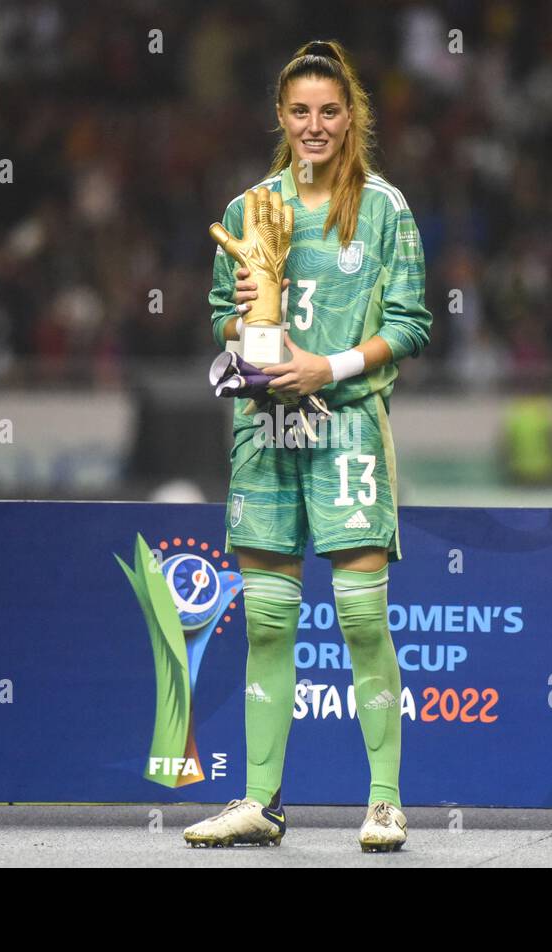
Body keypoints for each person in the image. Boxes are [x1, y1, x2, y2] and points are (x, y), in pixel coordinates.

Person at [184, 39, 432, 852]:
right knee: (266, 624)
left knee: (363, 620)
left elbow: (411, 323)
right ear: (280, 118)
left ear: (351, 115)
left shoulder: (386, 209)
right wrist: (254, 320)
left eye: (330, 111)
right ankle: (261, 800)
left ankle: (386, 801)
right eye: (300, 112)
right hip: (263, 430)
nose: (315, 125)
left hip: (346, 430)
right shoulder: (249, 207)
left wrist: (327, 365)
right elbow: (221, 313)